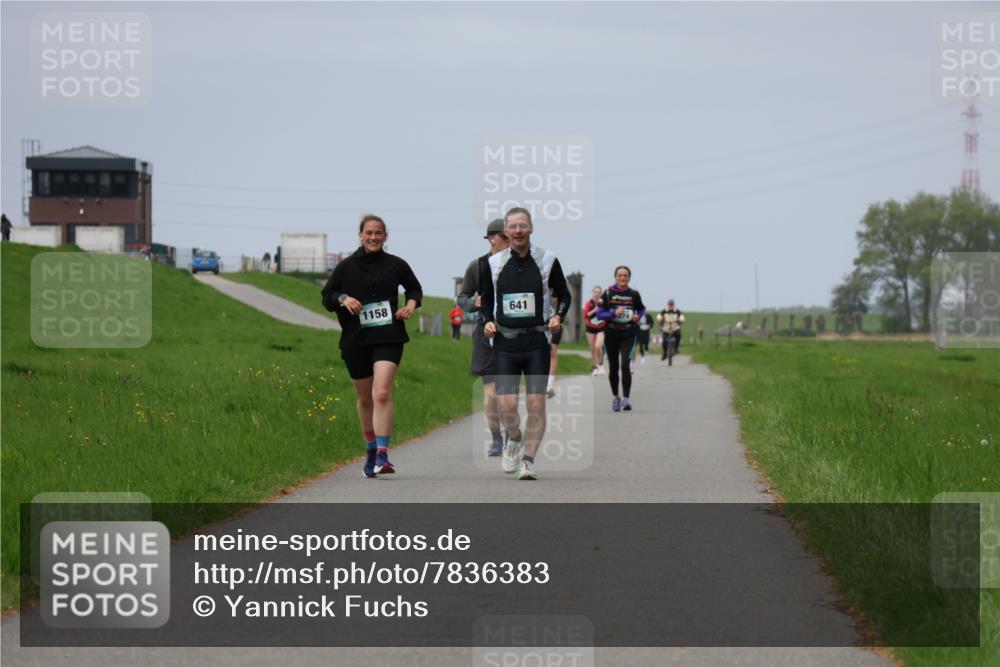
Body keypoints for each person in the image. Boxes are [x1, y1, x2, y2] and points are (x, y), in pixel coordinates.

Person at [321, 214, 422, 478]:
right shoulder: (346, 267)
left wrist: (410, 306)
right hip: (356, 340)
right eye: (369, 233)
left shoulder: (396, 265)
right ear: (360, 235)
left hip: (389, 336)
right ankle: (369, 449)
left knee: (382, 393)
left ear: (385, 236)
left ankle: (382, 454)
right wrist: (343, 298)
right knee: (365, 399)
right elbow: (327, 296)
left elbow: (414, 289)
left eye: (379, 233)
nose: (374, 237)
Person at [481, 207, 571, 481]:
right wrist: (487, 320)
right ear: (506, 232)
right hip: (505, 343)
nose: (518, 231)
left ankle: (529, 461)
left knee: (535, 405)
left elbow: (564, 295)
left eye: (523, 226)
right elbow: (486, 299)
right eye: (513, 227)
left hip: (536, 343)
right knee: (506, 406)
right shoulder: (493, 264)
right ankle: (514, 439)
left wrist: (558, 316)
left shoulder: (548, 260)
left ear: (531, 229)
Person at [457, 218, 509, 457]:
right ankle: (497, 437)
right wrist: (474, 303)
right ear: (491, 238)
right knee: (491, 392)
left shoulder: (520, 265)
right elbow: (462, 298)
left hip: (513, 334)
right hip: (485, 333)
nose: (510, 242)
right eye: (505, 238)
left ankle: (511, 431)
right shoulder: (477, 266)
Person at [596, 266, 645, 412]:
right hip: (611, 333)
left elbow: (641, 309)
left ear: (629, 278)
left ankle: (626, 399)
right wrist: (613, 313)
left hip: (629, 333)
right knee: (613, 367)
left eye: (625, 275)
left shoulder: (634, 294)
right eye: (620, 275)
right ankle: (616, 397)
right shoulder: (608, 293)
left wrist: (638, 316)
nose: (622, 278)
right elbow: (600, 314)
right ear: (615, 277)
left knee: (625, 365)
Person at [582, 285, 606, 375]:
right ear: (593, 292)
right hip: (590, 328)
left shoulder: (604, 303)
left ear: (601, 294)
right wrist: (595, 310)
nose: (597, 294)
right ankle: (594, 367)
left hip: (601, 328)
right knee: (593, 350)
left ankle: (601, 364)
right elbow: (586, 315)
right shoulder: (589, 303)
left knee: (598, 346)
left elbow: (608, 314)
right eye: (595, 292)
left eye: (599, 292)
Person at [655, 299, 685, 365]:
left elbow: (682, 317)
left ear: (674, 305)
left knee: (678, 335)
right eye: (669, 305)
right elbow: (659, 316)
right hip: (666, 328)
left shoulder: (677, 311)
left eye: (672, 305)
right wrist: (660, 319)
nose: (671, 306)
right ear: (667, 305)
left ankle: (676, 348)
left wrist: (680, 320)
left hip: (675, 327)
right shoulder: (664, 311)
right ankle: (665, 353)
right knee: (664, 342)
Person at [546, 301, 561, 398]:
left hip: (554, 324)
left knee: (552, 352)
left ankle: (549, 385)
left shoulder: (557, 288)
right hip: (539, 323)